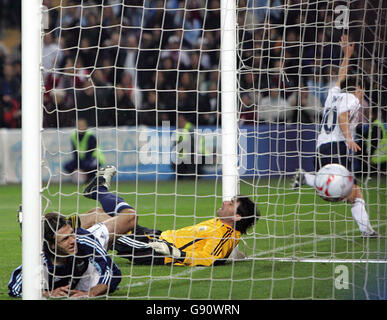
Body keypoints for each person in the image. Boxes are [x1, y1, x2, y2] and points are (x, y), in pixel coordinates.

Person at [291, 35, 378, 238]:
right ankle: (366, 231)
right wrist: (348, 137)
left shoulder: (333, 94)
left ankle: (307, 178)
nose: (362, 95)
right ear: (358, 88)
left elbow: (340, 77)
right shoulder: (352, 99)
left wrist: (347, 55)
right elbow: (342, 115)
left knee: (337, 191)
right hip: (337, 146)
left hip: (321, 147)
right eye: (362, 91)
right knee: (351, 191)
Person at [8, 166, 137, 298]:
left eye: (71, 234)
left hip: (91, 251)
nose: (72, 241)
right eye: (65, 239)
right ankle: (37, 225)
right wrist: (47, 293)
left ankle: (98, 190)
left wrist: (91, 293)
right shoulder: (39, 258)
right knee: (99, 214)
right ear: (51, 245)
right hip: (80, 270)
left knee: (128, 217)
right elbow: (14, 288)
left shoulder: (81, 239)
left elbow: (113, 272)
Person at [113, 196, 260, 267]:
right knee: (122, 219)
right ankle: (101, 189)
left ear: (237, 216)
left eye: (232, 203)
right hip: (158, 235)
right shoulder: (220, 223)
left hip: (157, 251)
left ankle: (101, 191)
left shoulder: (225, 235)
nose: (225, 201)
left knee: (110, 235)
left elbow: (210, 259)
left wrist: (177, 254)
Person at [64, 118, 106, 182]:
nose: (80, 127)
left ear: (86, 126)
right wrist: (78, 166)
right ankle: (81, 178)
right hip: (82, 160)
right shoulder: (73, 136)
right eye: (78, 125)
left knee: (87, 165)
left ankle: (92, 178)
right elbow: (75, 152)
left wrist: (82, 168)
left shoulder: (90, 136)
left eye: (82, 125)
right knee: (67, 166)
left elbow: (90, 152)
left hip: (95, 158)